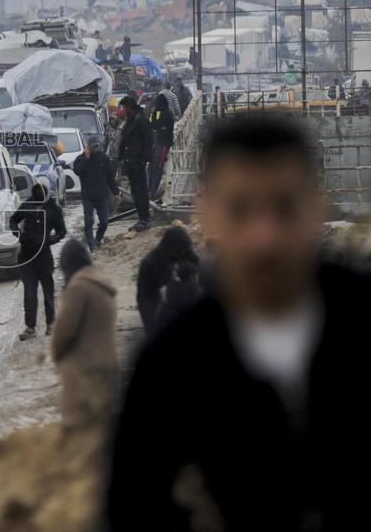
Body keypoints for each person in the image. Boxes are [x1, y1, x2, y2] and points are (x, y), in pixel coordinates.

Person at [108, 114, 370, 530]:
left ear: (316, 204)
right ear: (207, 210)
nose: (263, 237)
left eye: (283, 206)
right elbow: (134, 506)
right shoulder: (171, 365)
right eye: (241, 209)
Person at [53, 239, 119, 429]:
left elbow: (62, 334)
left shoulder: (78, 288)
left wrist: (58, 357)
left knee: (80, 436)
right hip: (108, 366)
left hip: (85, 371)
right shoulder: (102, 282)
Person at [10, 182, 67, 339]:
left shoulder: (53, 209)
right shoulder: (27, 205)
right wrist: (19, 235)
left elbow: (62, 231)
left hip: (44, 256)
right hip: (26, 255)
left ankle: (51, 324)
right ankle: (30, 327)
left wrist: (49, 240)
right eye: (35, 192)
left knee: (48, 291)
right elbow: (13, 221)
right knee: (29, 292)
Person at [135, 226, 199, 332]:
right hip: (161, 314)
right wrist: (150, 325)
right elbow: (144, 297)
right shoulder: (150, 263)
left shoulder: (186, 253)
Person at [72, 134, 121, 251]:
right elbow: (78, 171)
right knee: (88, 222)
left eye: (98, 146)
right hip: (87, 196)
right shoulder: (81, 159)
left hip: (102, 196)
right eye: (94, 146)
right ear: (88, 147)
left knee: (104, 222)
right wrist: (86, 158)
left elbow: (110, 178)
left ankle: (97, 239)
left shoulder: (104, 159)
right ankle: (92, 246)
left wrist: (116, 193)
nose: (96, 148)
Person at [117, 96, 152, 232]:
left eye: (125, 108)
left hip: (138, 161)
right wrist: (120, 157)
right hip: (129, 161)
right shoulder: (129, 121)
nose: (123, 111)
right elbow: (124, 141)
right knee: (135, 192)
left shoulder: (141, 120)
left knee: (141, 191)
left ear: (130, 107)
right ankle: (141, 218)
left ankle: (145, 219)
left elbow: (148, 140)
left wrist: (144, 159)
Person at [147, 93, 175, 198]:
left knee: (157, 167)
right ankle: (149, 188)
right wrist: (154, 113)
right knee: (150, 166)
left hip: (164, 143)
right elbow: (153, 124)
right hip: (158, 141)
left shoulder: (167, 113)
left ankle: (152, 191)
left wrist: (156, 123)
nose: (155, 106)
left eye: (156, 104)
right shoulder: (162, 112)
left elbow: (155, 125)